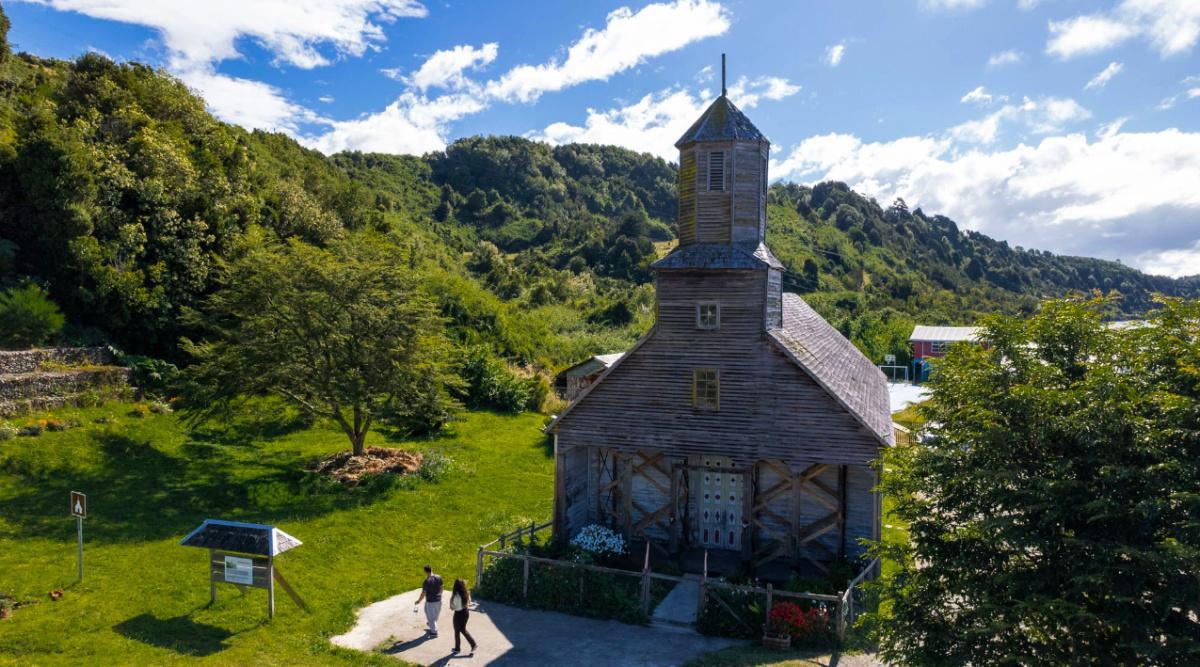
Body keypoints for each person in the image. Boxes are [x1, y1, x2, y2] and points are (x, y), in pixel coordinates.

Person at [449, 579, 477, 654]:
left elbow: (452, 608)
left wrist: (451, 601)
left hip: (458, 614)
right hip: (466, 613)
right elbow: (469, 603)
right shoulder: (466, 593)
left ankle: (458, 648)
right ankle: (473, 644)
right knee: (463, 629)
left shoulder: (455, 597)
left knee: (457, 631)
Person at [413, 565, 443, 636]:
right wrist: (439, 595)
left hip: (430, 601)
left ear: (425, 571)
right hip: (439, 600)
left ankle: (434, 632)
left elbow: (423, 593)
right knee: (432, 613)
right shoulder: (439, 577)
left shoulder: (426, 581)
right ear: (431, 569)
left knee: (430, 616)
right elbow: (441, 588)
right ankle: (431, 624)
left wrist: (418, 601)